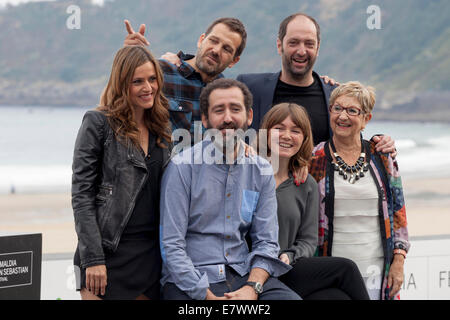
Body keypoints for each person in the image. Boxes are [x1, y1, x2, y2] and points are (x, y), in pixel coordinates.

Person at [159, 78, 300, 300]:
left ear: (249, 116)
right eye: (218, 110)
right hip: (192, 279)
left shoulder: (261, 170)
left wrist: (252, 288)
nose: (227, 118)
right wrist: (205, 295)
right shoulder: (182, 167)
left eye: (235, 109)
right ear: (205, 119)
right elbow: (172, 245)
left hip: (243, 274)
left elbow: (267, 241)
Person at [72, 46, 172, 300]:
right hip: (105, 253)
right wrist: (93, 258)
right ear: (121, 84)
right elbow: (81, 196)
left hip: (149, 255)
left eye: (152, 79)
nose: (148, 87)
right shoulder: (98, 123)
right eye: (137, 81)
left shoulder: (162, 127)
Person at [236, 13, 395, 153]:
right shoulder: (248, 87)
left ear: (318, 48)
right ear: (280, 45)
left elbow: (352, 145)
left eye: (309, 44)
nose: (301, 51)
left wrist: (379, 143)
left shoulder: (335, 95)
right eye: (293, 42)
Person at [309, 81, 410, 300]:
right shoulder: (313, 160)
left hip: (378, 270)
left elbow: (398, 213)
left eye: (352, 110)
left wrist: (399, 262)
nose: (342, 116)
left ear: (366, 119)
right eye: (337, 108)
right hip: (332, 272)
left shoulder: (381, 157)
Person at [259, 102, 369, 300]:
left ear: (304, 138)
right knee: (346, 268)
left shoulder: (305, 183)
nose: (286, 135)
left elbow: (309, 240)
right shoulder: (248, 174)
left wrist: (290, 255)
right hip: (255, 270)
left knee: (337, 297)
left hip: (287, 267)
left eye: (295, 130)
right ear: (265, 132)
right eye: (279, 128)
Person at [124, 17, 247, 146]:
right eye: (213, 41)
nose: (216, 50)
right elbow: (121, 105)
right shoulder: (161, 72)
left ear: (234, 61)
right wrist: (130, 60)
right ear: (201, 40)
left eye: (226, 49)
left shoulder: (229, 95)